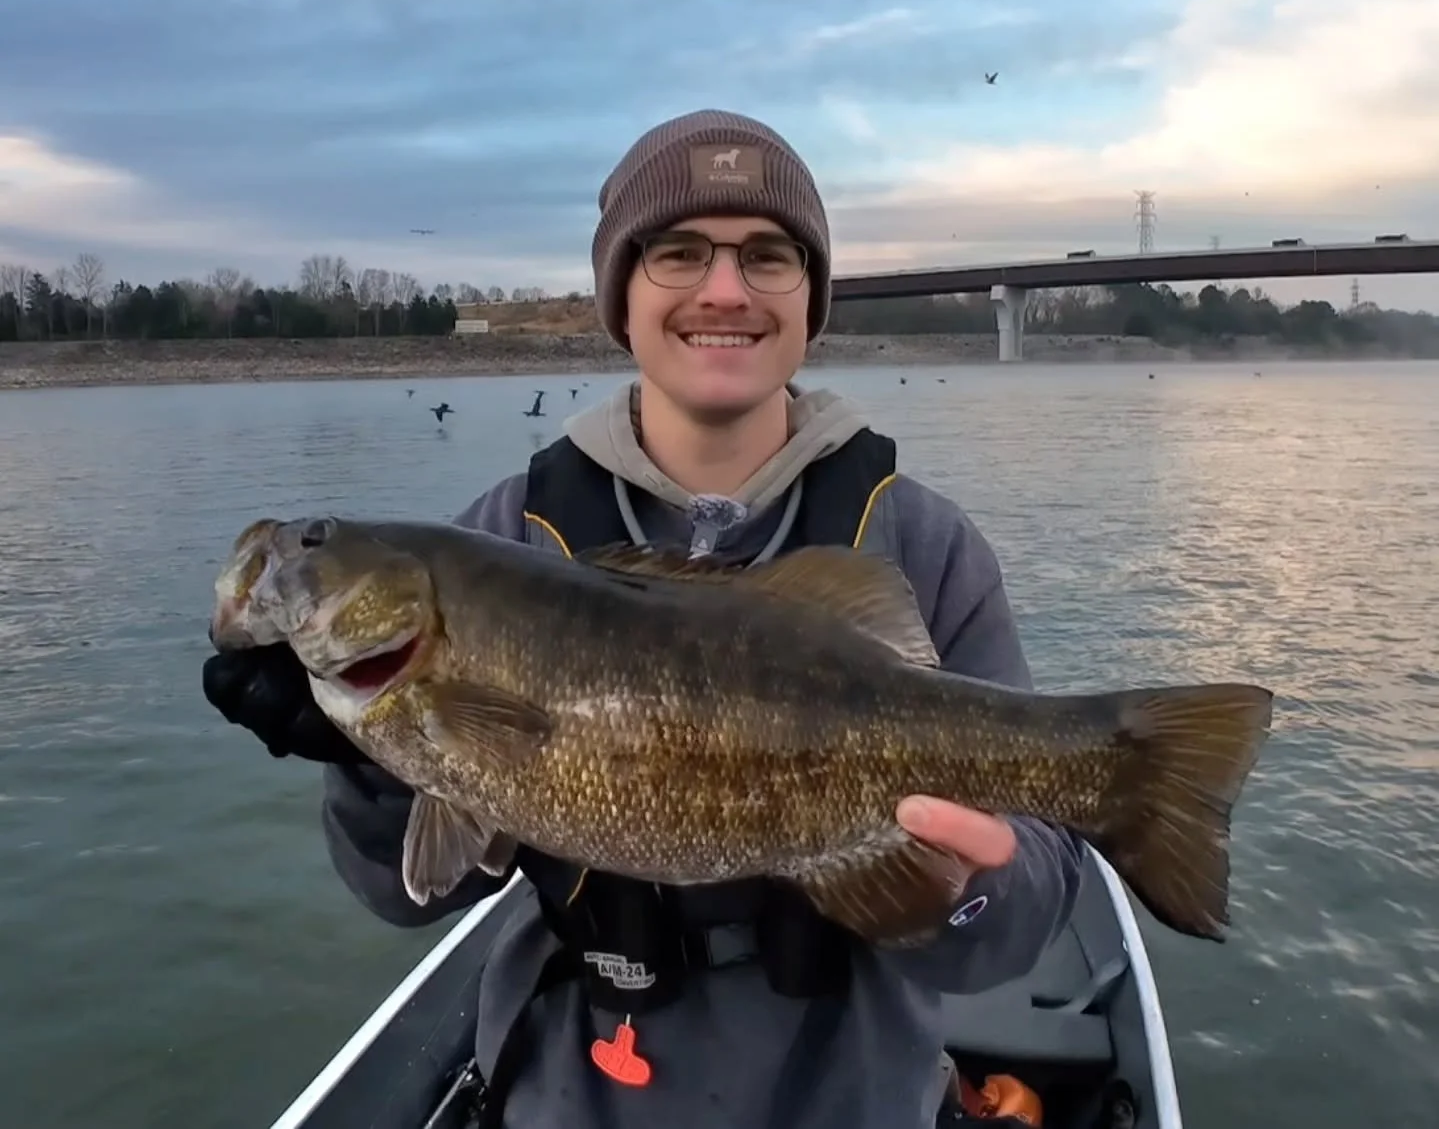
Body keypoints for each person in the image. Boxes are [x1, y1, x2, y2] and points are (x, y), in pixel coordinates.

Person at [203, 109, 1085, 1129]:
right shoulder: (504, 534)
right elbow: (406, 896)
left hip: (854, 1091)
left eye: (767, 255)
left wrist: (969, 878)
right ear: (619, 295)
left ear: (811, 299)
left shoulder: (921, 543)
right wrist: (362, 760)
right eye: (676, 253)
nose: (724, 290)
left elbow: (1009, 928)